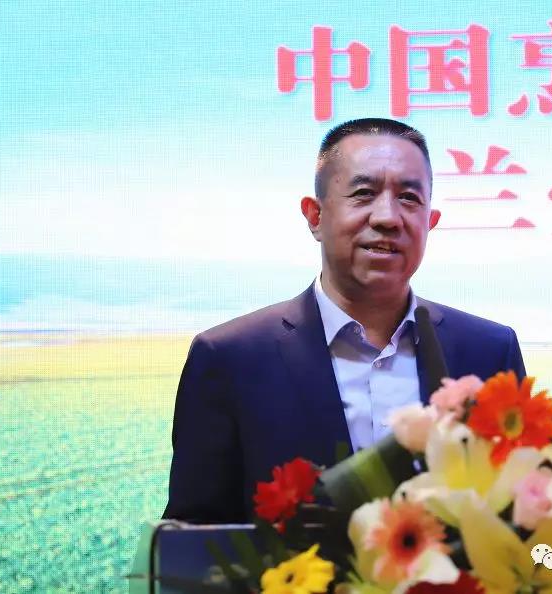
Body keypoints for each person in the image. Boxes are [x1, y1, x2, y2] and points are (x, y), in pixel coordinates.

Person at [163, 118, 526, 523]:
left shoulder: (489, 350)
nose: (387, 217)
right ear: (315, 216)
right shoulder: (230, 358)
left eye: (409, 198)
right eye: (364, 193)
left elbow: (522, 518)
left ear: (430, 221)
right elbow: (193, 535)